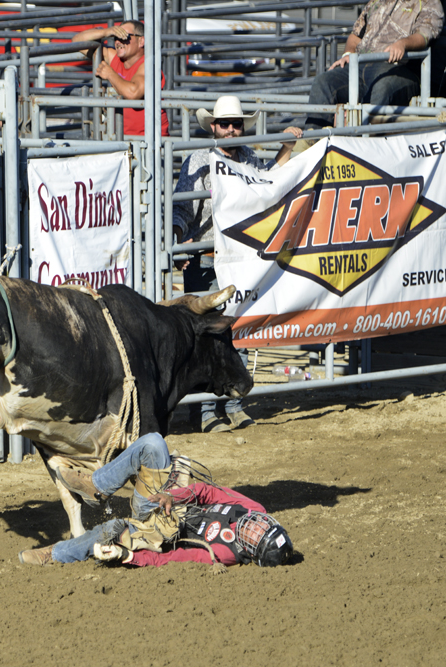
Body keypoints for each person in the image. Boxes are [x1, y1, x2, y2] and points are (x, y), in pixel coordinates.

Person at [172, 96, 303, 433]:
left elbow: (270, 189)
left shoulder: (248, 157)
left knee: (236, 330)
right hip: (206, 258)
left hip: (240, 259)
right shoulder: (200, 160)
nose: (231, 130)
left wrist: (286, 149)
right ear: (213, 127)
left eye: (236, 124)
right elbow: (181, 211)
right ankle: (205, 411)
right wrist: (181, 241)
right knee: (208, 336)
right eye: (225, 124)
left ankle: (232, 403)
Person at [19, 433, 294, 569]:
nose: (255, 525)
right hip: (164, 501)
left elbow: (176, 557)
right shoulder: (255, 509)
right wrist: (171, 496)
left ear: (251, 551)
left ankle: (56, 553)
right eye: (263, 525)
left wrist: (128, 556)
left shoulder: (224, 553)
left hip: (160, 532)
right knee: (153, 442)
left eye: (257, 535)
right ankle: (96, 486)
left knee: (112, 529)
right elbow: (211, 492)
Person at [306, 0, 443, 130]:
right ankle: (313, 141)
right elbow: (355, 36)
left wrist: (403, 43)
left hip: (397, 69)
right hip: (359, 66)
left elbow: (424, 36)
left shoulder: (430, 3)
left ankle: (368, 140)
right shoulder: (376, 2)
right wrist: (347, 54)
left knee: (383, 87)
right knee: (323, 82)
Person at [72, 20, 169, 137]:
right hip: (122, 138)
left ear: (141, 41)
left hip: (149, 143)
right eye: (116, 37)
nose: (118, 42)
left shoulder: (149, 64)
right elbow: (77, 41)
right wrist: (106, 32)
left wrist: (110, 74)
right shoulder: (115, 59)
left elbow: (133, 93)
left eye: (124, 36)